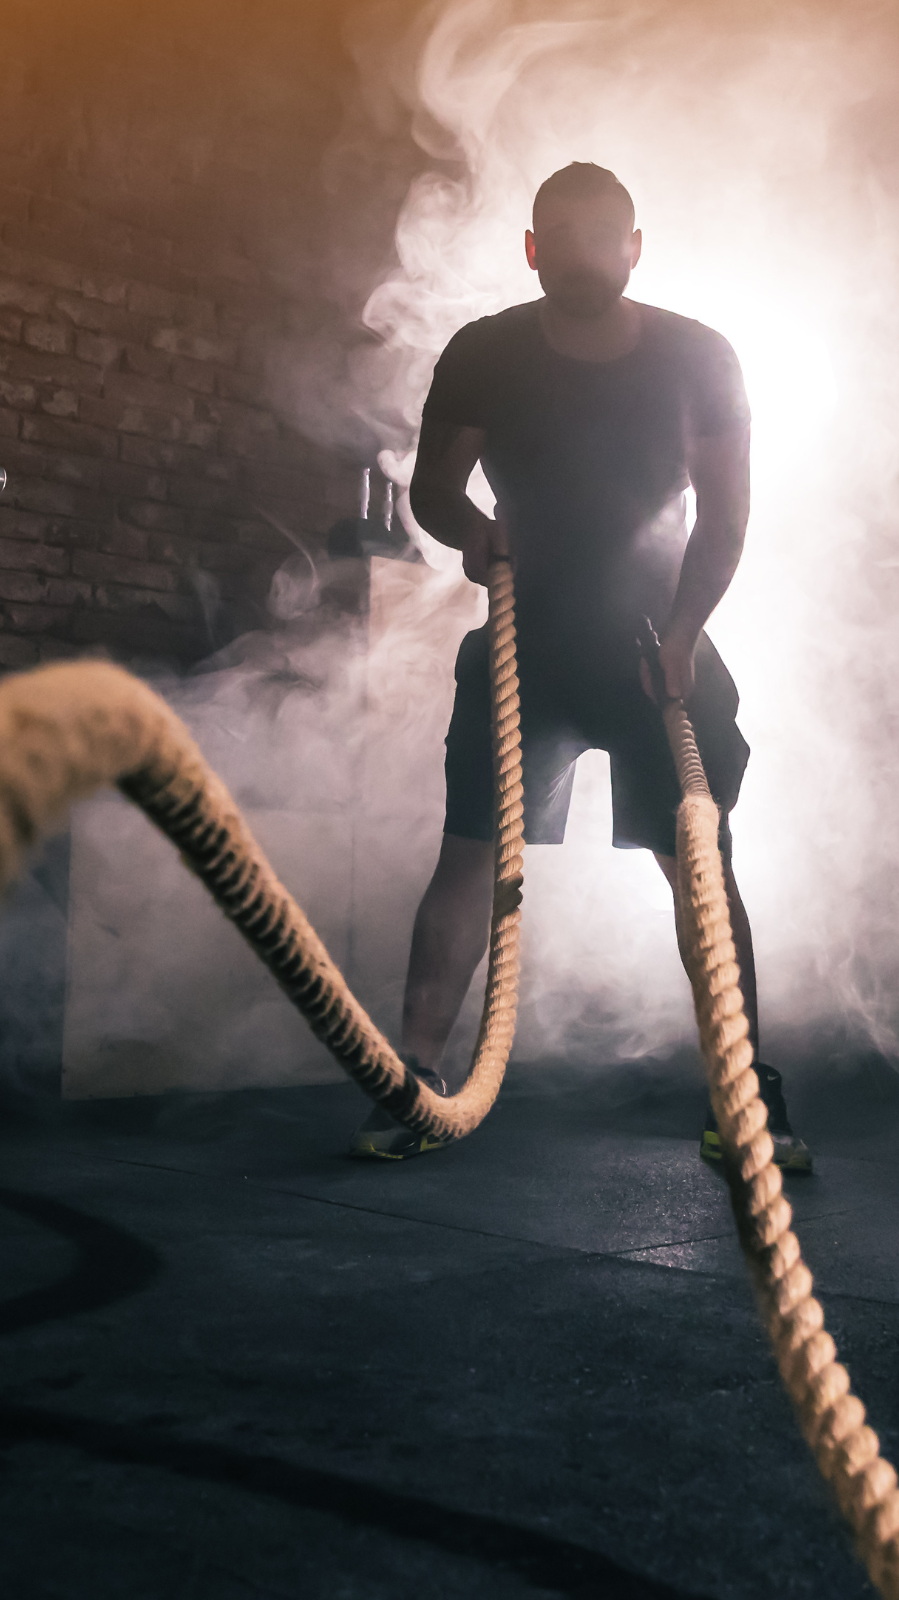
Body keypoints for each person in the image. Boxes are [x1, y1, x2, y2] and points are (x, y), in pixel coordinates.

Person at [350, 161, 810, 1171]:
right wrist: (478, 537)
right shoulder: (488, 353)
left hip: (658, 641)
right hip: (527, 640)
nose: (581, 250)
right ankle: (417, 1075)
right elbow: (434, 489)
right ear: (532, 248)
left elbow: (727, 518)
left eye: (602, 233)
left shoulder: (698, 357)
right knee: (471, 853)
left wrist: (686, 633)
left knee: (699, 863)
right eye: (559, 234)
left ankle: (744, 1093)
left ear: (634, 246)